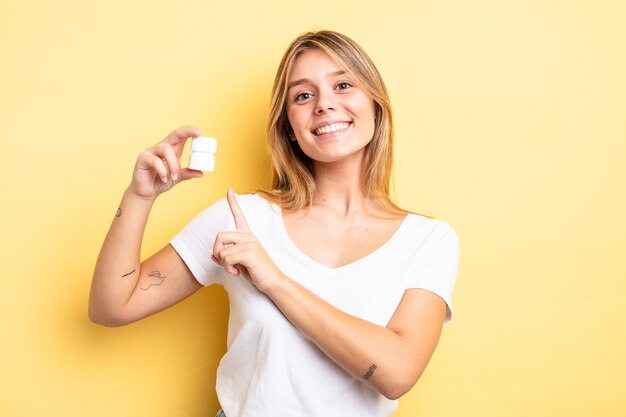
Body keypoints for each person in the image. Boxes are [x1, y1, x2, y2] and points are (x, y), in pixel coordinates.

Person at [89, 30, 460, 417]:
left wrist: (276, 282)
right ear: (289, 126)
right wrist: (139, 198)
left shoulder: (428, 241)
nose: (324, 104)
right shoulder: (240, 218)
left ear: (375, 105)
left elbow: (397, 373)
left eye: (343, 85)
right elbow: (112, 306)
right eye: (303, 95)